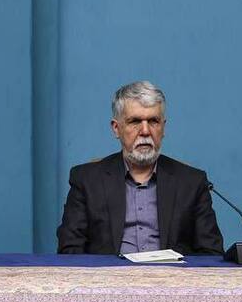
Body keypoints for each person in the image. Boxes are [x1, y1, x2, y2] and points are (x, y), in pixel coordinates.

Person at [57, 81, 222, 256]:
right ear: (116, 128)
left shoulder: (192, 182)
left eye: (153, 121)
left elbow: (211, 253)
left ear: (163, 127)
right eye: (135, 121)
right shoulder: (87, 180)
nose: (145, 131)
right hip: (109, 273)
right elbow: (70, 250)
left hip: (171, 273)